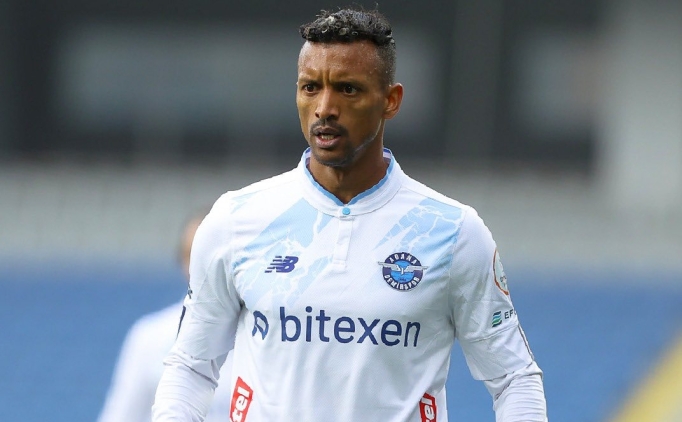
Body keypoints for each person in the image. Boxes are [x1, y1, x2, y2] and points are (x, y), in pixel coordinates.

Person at [153, 7, 547, 421]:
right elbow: (191, 367)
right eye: (310, 87)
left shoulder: (453, 232)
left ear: (390, 100)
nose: (324, 107)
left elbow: (514, 378)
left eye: (347, 89)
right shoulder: (237, 219)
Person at [98, 211, 232, 422]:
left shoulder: (263, 334)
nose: (203, 265)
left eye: (212, 253)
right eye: (192, 254)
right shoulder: (150, 337)